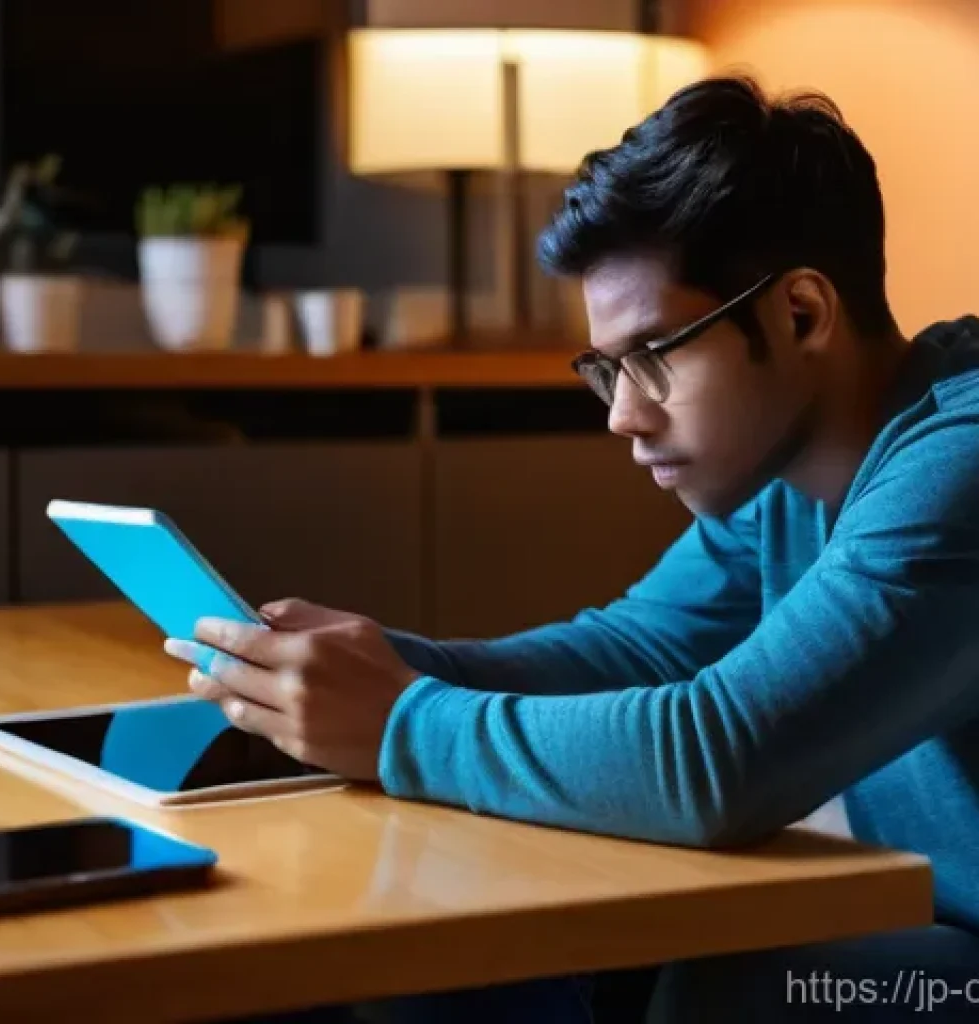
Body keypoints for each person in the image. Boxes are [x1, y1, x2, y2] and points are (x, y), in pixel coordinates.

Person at [172, 75, 979, 1021]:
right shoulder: (788, 473)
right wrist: (362, 671)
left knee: (723, 986)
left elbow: (718, 760)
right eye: (605, 370)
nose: (623, 416)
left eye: (651, 357)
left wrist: (399, 720)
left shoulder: (957, 462)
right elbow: (631, 651)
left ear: (800, 313)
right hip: (933, 933)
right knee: (465, 956)